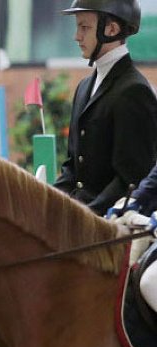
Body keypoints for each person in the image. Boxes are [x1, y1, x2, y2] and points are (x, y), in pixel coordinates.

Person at [54, 0, 157, 216]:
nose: (77, 36)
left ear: (111, 29)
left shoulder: (134, 90)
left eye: (85, 27)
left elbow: (131, 177)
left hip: (110, 224)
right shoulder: (84, 87)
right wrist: (46, 201)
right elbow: (72, 165)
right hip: (81, 215)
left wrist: (86, 215)